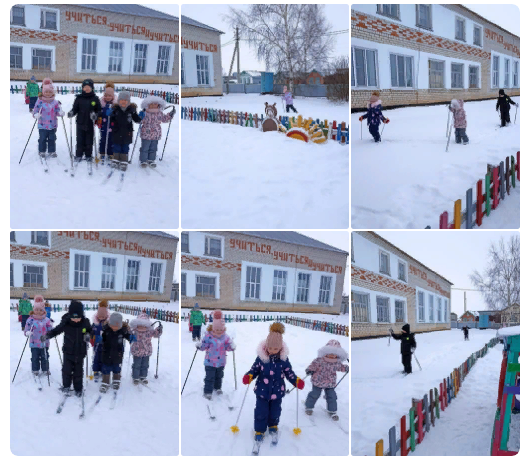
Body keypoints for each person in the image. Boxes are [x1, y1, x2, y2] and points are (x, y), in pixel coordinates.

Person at [243, 322, 304, 443]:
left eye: (275, 348)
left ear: (281, 347)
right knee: (261, 411)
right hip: (262, 391)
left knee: (275, 411)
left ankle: (273, 425)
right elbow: (254, 369)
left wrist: (295, 381)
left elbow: (289, 372)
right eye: (270, 348)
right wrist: (249, 376)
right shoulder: (261, 358)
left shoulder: (283, 360)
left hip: (277, 391)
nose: (272, 350)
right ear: (266, 346)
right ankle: (259, 430)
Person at [42, 300, 92, 396]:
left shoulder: (85, 322)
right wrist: (47, 336)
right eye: (73, 317)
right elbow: (56, 330)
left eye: (78, 318)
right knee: (66, 370)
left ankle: (78, 388)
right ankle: (66, 386)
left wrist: (88, 335)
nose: (76, 320)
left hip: (80, 352)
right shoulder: (66, 322)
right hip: (68, 351)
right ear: (70, 315)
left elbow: (90, 330)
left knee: (78, 372)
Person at [304, 340, 349, 421]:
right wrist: (309, 370)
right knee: (314, 394)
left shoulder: (337, 363)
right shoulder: (319, 360)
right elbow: (313, 365)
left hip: (330, 383)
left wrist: (346, 368)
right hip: (318, 381)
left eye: (334, 354)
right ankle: (309, 406)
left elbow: (341, 367)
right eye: (330, 353)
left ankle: (332, 411)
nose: (332, 355)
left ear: (338, 355)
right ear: (325, 352)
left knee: (332, 396)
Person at [197, 310, 235, 399]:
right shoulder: (208, 336)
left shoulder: (225, 337)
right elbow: (204, 346)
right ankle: (207, 391)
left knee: (219, 376)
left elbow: (227, 347)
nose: (219, 331)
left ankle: (217, 387)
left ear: (223, 329)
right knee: (210, 377)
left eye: (221, 329)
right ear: (213, 328)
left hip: (221, 362)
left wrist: (232, 347)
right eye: (217, 329)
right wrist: (200, 346)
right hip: (210, 362)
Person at [68, 78, 102, 161]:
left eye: (89, 87)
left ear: (92, 88)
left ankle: (88, 155)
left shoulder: (95, 98)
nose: (87, 88)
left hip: (90, 123)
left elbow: (99, 110)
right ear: (82, 88)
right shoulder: (79, 98)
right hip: (80, 122)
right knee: (80, 140)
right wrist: (72, 112)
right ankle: (79, 155)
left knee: (89, 140)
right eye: (85, 87)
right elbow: (75, 109)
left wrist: (96, 115)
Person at [108, 91, 143, 171]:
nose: (123, 101)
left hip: (127, 133)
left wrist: (140, 117)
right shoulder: (115, 109)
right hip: (117, 132)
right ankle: (116, 159)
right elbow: (111, 121)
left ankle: (124, 161)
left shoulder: (131, 110)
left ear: (129, 101)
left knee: (125, 147)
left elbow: (136, 119)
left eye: (126, 100)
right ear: (119, 101)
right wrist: (110, 115)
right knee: (116, 147)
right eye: (121, 100)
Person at [99, 312, 133, 393]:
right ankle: (105, 382)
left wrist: (130, 336)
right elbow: (100, 338)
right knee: (106, 368)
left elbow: (130, 337)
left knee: (117, 368)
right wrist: (99, 336)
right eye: (113, 325)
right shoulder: (106, 330)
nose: (114, 328)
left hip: (118, 354)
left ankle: (116, 380)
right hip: (106, 353)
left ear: (120, 325)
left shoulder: (122, 331)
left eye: (117, 326)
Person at [138, 95, 176, 167]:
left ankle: (151, 160)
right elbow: (139, 121)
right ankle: (143, 160)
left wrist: (170, 115)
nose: (154, 105)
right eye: (152, 104)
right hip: (146, 133)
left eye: (156, 104)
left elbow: (164, 119)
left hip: (156, 133)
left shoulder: (159, 113)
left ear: (159, 104)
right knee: (145, 148)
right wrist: (140, 116)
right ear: (148, 104)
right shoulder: (145, 112)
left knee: (153, 148)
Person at [33, 78, 64, 158]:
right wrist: (35, 114)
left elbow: (57, 111)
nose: (47, 93)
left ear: (52, 93)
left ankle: (52, 151)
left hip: (52, 124)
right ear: (43, 92)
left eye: (50, 92)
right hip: (42, 124)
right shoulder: (39, 101)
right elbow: (35, 110)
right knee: (42, 138)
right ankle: (42, 151)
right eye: (46, 92)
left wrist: (60, 113)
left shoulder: (55, 102)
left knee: (52, 138)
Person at [129, 312, 163, 385]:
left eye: (144, 325)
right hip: (136, 352)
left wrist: (159, 330)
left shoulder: (149, 332)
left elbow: (156, 335)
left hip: (146, 352)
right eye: (140, 325)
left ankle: (143, 376)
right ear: (137, 324)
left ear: (147, 326)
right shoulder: (134, 331)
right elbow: (129, 335)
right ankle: (135, 377)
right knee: (136, 365)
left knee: (145, 365)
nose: (142, 327)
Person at [24, 295, 52, 377]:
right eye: (36, 310)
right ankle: (35, 369)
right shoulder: (30, 319)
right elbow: (26, 328)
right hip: (34, 343)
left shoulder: (46, 320)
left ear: (43, 310)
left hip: (44, 343)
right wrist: (27, 332)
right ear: (33, 310)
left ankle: (45, 369)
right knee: (35, 357)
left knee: (45, 357)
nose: (38, 311)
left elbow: (50, 330)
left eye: (40, 310)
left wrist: (51, 328)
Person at [91, 300, 110, 382]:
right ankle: (96, 371)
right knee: (96, 358)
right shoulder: (95, 324)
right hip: (96, 345)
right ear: (97, 316)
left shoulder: (108, 325)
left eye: (103, 317)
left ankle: (102, 370)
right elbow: (91, 331)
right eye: (100, 317)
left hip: (105, 346)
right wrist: (92, 338)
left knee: (103, 358)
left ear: (106, 316)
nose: (101, 318)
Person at [97, 81, 117, 162]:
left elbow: (117, 115)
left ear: (112, 96)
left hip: (112, 125)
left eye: (109, 96)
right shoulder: (101, 103)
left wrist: (113, 114)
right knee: (103, 139)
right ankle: (102, 152)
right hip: (103, 125)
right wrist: (98, 117)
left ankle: (110, 153)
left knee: (111, 140)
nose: (108, 97)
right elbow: (98, 113)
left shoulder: (115, 104)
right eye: (106, 96)